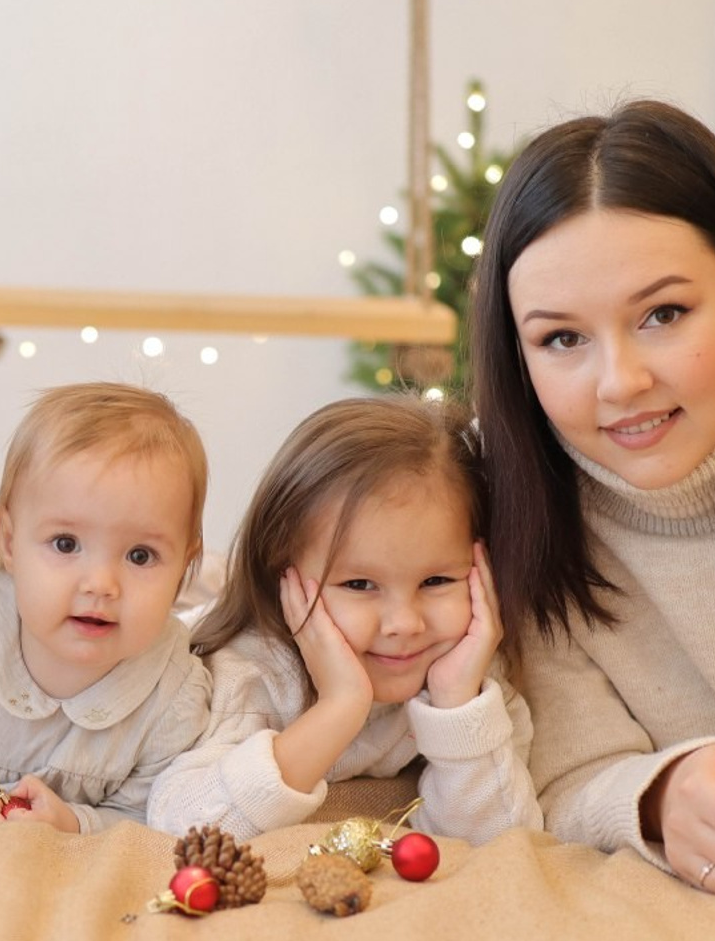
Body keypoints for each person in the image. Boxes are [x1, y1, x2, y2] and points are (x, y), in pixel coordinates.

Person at [471, 98, 715, 893]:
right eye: (562, 338)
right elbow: (569, 778)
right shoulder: (512, 515)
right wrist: (664, 795)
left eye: (664, 314)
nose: (621, 383)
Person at [147, 396, 542, 842]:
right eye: (359, 584)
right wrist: (339, 707)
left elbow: (503, 839)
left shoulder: (469, 668)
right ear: (283, 576)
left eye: (436, 581)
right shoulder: (251, 673)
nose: (404, 624)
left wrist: (455, 705)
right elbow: (184, 826)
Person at [0, 382, 212, 833]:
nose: (101, 585)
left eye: (140, 556)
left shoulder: (172, 697)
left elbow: (146, 812)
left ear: (184, 567)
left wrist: (75, 822)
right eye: (66, 544)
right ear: (8, 541)